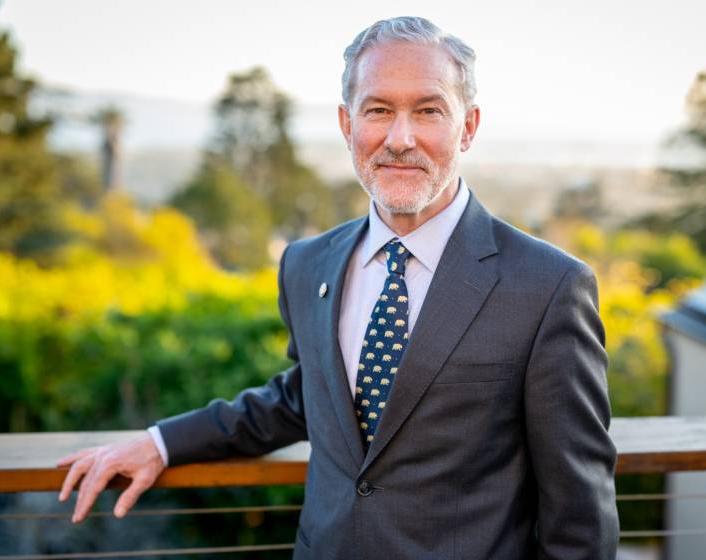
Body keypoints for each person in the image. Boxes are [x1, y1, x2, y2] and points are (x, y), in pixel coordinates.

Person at [58, 16, 619, 559]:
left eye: (428, 111)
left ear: (467, 126)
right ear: (348, 124)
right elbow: (305, 399)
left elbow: (579, 516)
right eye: (378, 110)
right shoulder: (306, 265)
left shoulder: (548, 286)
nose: (400, 139)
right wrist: (160, 444)